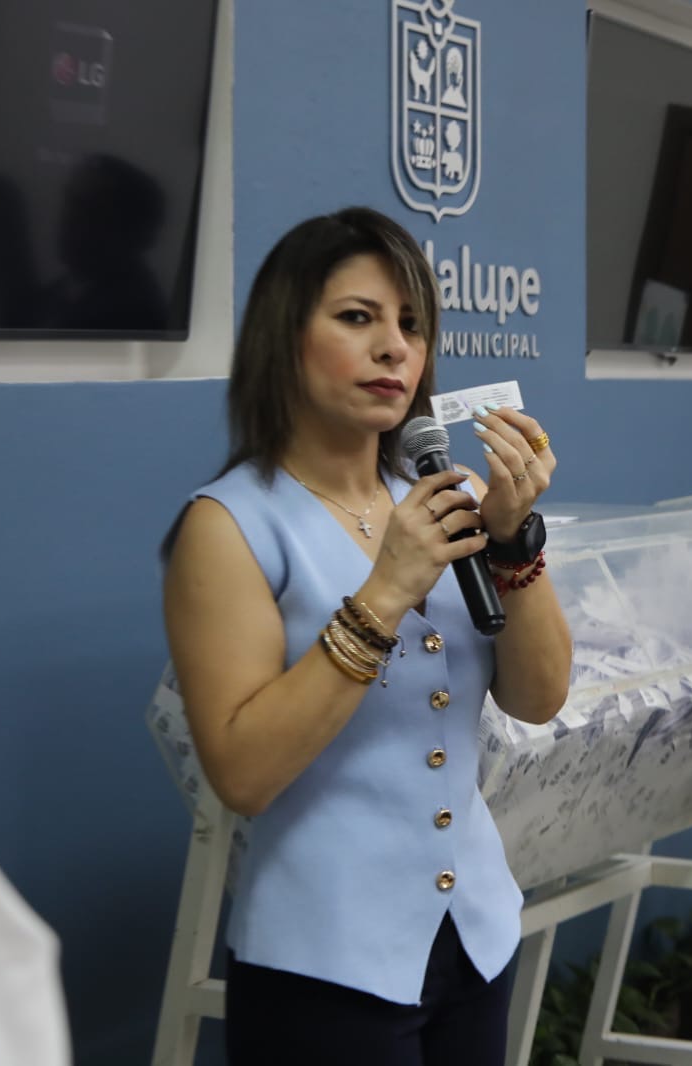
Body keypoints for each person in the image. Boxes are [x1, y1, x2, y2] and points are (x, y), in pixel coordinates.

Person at [161, 206, 572, 1066]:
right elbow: (243, 775)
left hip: (475, 935)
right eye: (358, 317)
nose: (394, 349)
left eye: (412, 325)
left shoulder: (445, 497)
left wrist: (511, 541)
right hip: (324, 961)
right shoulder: (228, 525)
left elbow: (539, 698)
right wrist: (384, 592)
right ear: (285, 335)